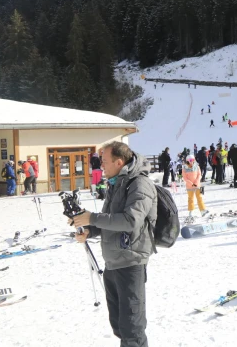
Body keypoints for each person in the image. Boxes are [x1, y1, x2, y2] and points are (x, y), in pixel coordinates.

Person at [71, 141, 156, 346]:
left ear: (119, 162)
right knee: (119, 326)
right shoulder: (116, 183)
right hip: (112, 262)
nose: (101, 165)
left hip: (131, 262)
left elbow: (130, 220)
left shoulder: (140, 184)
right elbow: (110, 221)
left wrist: (92, 218)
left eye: (105, 161)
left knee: (132, 329)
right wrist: (90, 230)